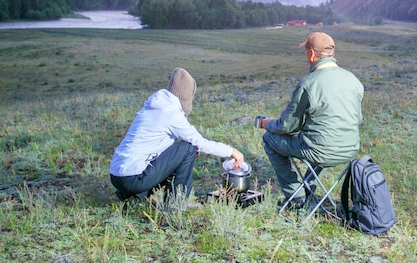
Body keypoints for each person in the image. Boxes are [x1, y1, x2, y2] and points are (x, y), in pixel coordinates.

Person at [257, 32, 364, 207]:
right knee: (321, 140)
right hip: (349, 150)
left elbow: (288, 126)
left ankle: (295, 196)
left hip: (321, 151)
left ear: (312, 54)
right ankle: (308, 187)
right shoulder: (352, 79)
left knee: (269, 139)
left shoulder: (308, 83)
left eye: (306, 51)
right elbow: (357, 119)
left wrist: (267, 124)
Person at [109, 67, 245, 202]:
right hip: (133, 178)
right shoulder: (171, 113)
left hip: (117, 176)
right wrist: (231, 152)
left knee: (184, 150)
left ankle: (131, 196)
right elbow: (200, 143)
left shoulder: (154, 106)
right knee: (188, 148)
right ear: (186, 96)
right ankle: (175, 204)